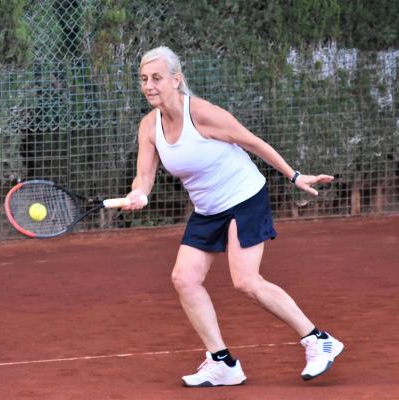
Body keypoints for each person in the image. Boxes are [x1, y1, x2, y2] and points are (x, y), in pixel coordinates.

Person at [123, 46, 344, 387]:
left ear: (176, 80)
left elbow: (252, 143)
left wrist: (295, 176)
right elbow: (145, 174)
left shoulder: (203, 114)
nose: (149, 85)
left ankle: (318, 339)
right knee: (184, 278)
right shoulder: (149, 127)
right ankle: (222, 362)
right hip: (208, 209)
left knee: (246, 281)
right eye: (143, 79)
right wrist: (140, 192)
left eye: (156, 78)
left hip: (244, 198)